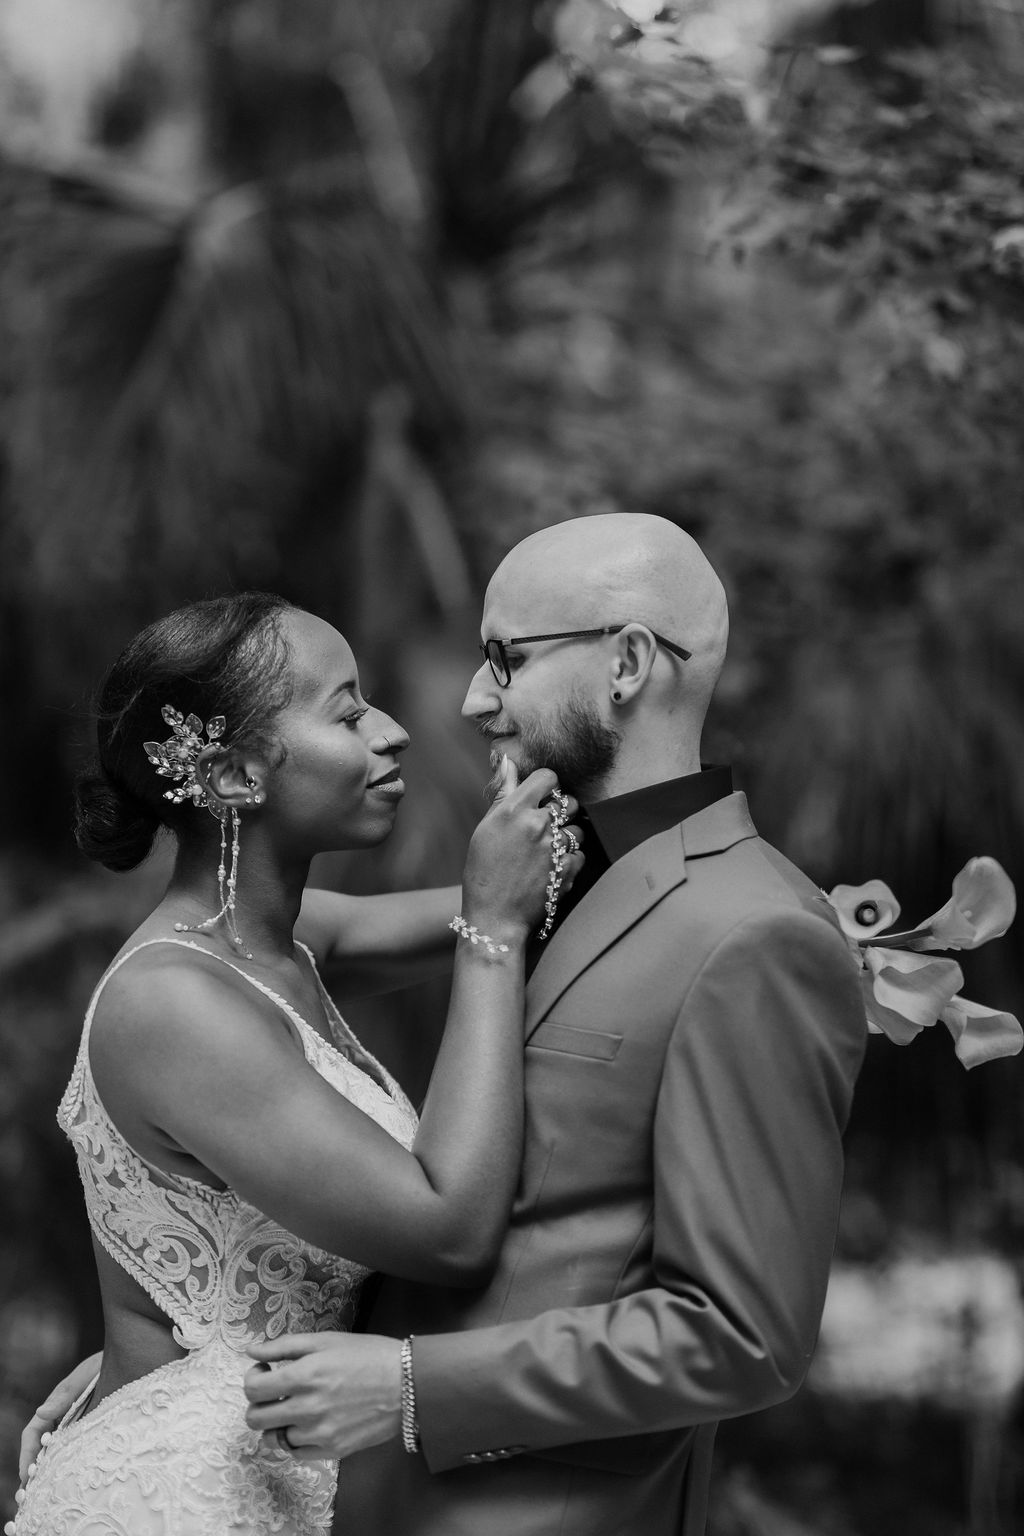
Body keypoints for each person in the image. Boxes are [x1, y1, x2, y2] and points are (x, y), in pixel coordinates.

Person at [238, 514, 870, 1536]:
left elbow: (741, 1336)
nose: (472, 698)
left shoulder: (759, 933)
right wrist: (176, 1364)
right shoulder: (528, 872)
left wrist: (412, 1388)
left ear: (626, 663)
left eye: (507, 659)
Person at [9, 591, 581, 1536]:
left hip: (266, 1471)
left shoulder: (286, 944)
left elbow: (533, 892)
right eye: (348, 715)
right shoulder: (173, 1006)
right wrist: (491, 933)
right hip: (180, 1497)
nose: (393, 732)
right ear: (235, 775)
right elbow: (449, 1230)